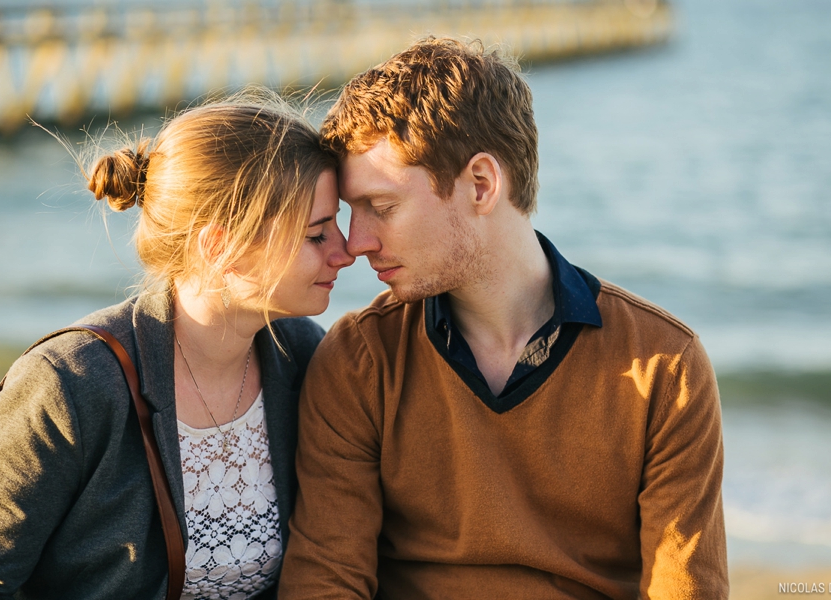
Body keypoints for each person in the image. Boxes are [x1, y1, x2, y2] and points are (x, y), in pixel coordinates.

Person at [279, 38, 729, 599]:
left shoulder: (665, 366)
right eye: (352, 211)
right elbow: (326, 583)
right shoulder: (360, 360)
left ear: (482, 185)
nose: (357, 241)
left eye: (383, 207)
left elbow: (683, 589)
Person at [0, 91, 354, 599]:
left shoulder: (302, 355)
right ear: (220, 245)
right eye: (318, 234)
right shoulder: (69, 385)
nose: (347, 251)